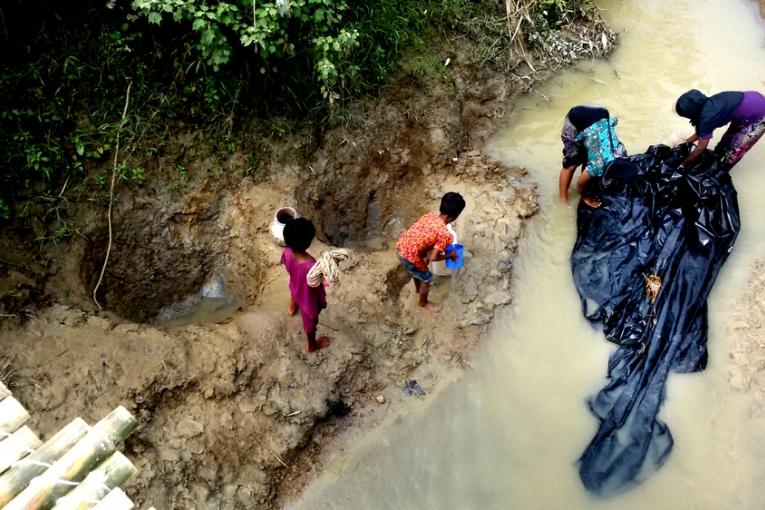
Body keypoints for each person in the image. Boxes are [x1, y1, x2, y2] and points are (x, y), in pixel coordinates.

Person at [396, 192, 465, 312]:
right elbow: (433, 257)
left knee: (417, 271)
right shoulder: (445, 235)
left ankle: (417, 289)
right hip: (410, 257)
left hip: (401, 247)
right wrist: (451, 255)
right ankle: (423, 303)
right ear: (455, 217)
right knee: (427, 278)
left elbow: (423, 237)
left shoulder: (429, 216)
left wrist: (426, 257)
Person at [675, 89, 765, 170]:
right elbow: (701, 133)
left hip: (760, 115)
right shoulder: (708, 103)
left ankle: (723, 171)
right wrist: (686, 142)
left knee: (735, 151)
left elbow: (701, 148)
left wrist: (683, 164)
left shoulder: (706, 118)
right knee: (728, 138)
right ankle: (716, 156)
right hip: (751, 100)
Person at [559, 104, 627, 207]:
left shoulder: (621, 153)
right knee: (572, 163)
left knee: (589, 153)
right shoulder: (599, 165)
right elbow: (579, 184)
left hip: (600, 113)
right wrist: (586, 197)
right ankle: (562, 199)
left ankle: (588, 177)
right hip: (576, 118)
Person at [281, 217, 329, 353]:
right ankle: (312, 345)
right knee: (310, 324)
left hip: (295, 287)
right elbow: (317, 287)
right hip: (308, 299)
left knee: (295, 293)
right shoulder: (312, 265)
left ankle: (292, 307)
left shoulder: (287, 251)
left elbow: (285, 263)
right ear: (308, 243)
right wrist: (322, 301)